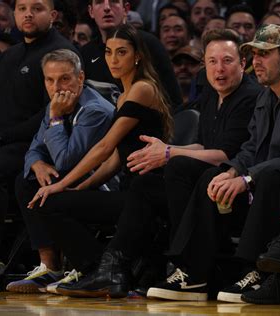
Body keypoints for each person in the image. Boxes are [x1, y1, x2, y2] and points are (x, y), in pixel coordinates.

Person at [52, 28, 262, 298]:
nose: (219, 69)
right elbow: (200, 145)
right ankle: (114, 267)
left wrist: (169, 152)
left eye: (227, 61)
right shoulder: (210, 92)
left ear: (242, 63)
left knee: (176, 167)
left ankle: (186, 268)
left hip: (233, 184)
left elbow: (225, 156)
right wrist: (169, 151)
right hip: (196, 182)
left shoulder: (249, 96)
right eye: (212, 61)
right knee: (146, 184)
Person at [146, 24, 280, 302]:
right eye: (254, 54)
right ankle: (195, 274)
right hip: (261, 181)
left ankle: (253, 271)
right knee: (211, 177)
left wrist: (246, 179)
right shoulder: (267, 95)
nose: (257, 61)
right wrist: (230, 171)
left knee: (269, 178)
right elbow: (251, 148)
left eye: (265, 54)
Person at [10, 23, 173, 297]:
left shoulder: (142, 89)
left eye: (122, 52)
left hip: (148, 194)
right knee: (49, 198)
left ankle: (99, 269)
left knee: (52, 200)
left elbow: (104, 147)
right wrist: (79, 188)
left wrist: (62, 186)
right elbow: (114, 161)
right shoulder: (124, 96)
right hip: (131, 193)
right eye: (109, 52)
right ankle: (97, 269)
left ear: (137, 56)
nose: (113, 60)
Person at [0, 0, 78, 293]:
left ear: (52, 15)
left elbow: (52, 111)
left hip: (38, 146)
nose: (28, 14)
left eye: (36, 8)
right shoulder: (9, 56)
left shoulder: (61, 54)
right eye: (22, 7)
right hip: (3, 144)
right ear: (14, 14)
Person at [5, 49, 114, 293]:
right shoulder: (56, 104)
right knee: (27, 181)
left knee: (52, 192)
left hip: (100, 185)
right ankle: (49, 266)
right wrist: (37, 163)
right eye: (50, 80)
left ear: (81, 77)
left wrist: (55, 119)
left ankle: (86, 267)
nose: (57, 87)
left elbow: (67, 161)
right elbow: (34, 149)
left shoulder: (95, 110)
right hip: (72, 179)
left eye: (65, 78)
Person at [82, 0, 182, 110]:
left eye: (114, 2)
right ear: (91, 11)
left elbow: (173, 99)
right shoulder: (86, 53)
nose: (107, 8)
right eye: (99, 2)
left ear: (126, 9)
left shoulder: (148, 44)